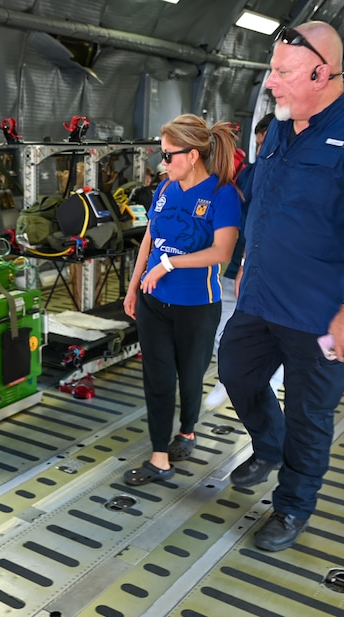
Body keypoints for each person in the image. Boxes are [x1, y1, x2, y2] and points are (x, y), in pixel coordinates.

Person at [218, 22, 344, 552]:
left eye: (282, 72)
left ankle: (294, 504)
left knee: (309, 412)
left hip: (320, 311)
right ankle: (268, 444)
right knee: (235, 370)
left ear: (322, 73)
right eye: (272, 70)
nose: (270, 82)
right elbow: (260, 188)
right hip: (259, 298)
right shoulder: (281, 124)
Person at [120, 115, 241, 486]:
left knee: (189, 377)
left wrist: (169, 264)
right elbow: (150, 238)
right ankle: (159, 458)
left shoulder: (223, 195)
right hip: (153, 301)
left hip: (197, 306)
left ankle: (187, 431)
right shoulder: (164, 189)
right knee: (157, 378)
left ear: (192, 155)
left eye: (169, 155)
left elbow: (222, 251)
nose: (163, 162)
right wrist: (134, 282)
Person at [204, 113, 282, 409]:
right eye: (259, 145)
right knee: (225, 329)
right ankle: (230, 377)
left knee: (272, 334)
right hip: (235, 266)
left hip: (270, 270)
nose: (263, 152)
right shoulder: (250, 173)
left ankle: (269, 389)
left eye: (268, 144)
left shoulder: (290, 178)